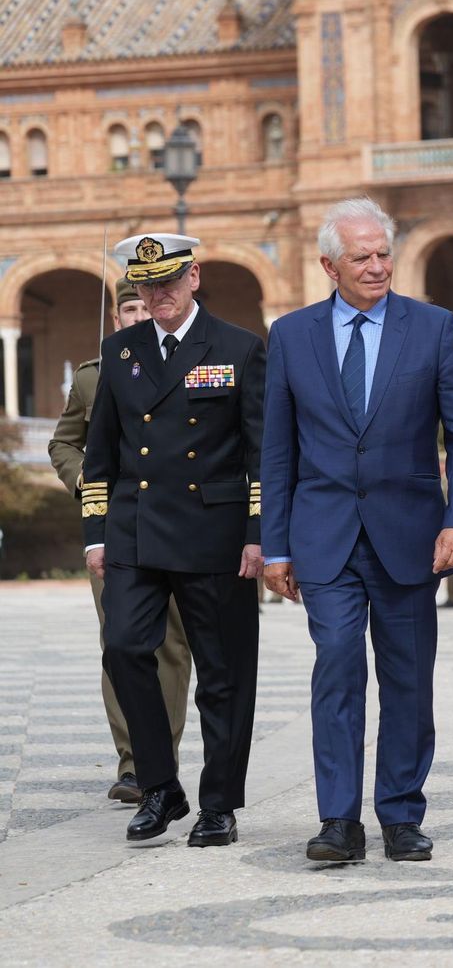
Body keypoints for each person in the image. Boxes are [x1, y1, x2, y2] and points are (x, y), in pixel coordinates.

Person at [260, 196, 453, 863]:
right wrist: (275, 545)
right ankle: (338, 820)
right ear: (329, 265)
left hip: (411, 539)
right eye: (362, 257)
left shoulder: (434, 328)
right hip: (324, 538)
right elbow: (277, 450)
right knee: (336, 666)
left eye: (384, 253)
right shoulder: (292, 335)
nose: (377, 266)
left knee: (408, 679)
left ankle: (400, 814)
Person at [81, 233, 264, 847]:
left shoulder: (238, 347)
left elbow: (262, 452)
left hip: (213, 532)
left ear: (194, 278)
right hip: (135, 529)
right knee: (123, 648)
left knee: (222, 673)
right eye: (147, 285)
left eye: (168, 281)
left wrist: (259, 533)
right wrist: (95, 534)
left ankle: (219, 804)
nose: (158, 294)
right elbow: (100, 452)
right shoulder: (120, 350)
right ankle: (160, 785)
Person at [50, 276, 191, 805]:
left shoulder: (193, 361)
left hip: (180, 525)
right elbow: (64, 443)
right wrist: (87, 482)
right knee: (120, 643)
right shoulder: (94, 375)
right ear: (117, 319)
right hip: (114, 527)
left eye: (145, 308)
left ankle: (161, 758)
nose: (139, 317)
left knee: (170, 646)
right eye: (129, 310)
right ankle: (134, 763)